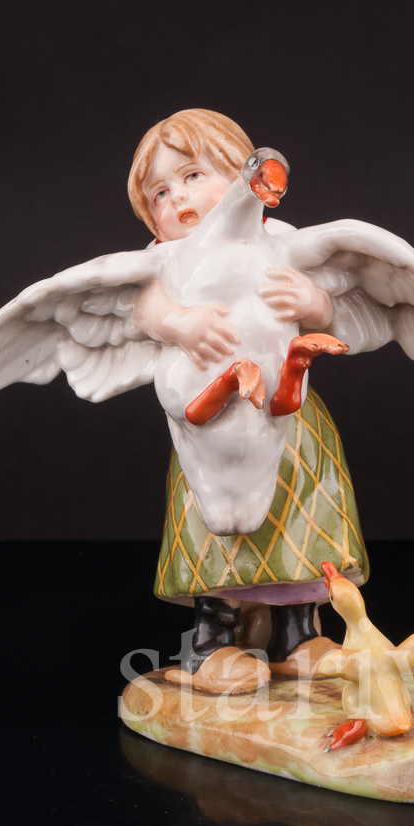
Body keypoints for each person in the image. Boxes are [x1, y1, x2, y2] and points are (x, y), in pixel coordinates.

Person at [127, 109, 368, 692]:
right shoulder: (166, 261)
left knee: (302, 516)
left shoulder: (278, 241)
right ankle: (212, 641)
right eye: (159, 193)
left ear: (238, 174)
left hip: (290, 415)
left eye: (192, 176)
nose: (177, 198)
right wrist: (179, 323)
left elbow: (329, 311)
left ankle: (297, 634)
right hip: (213, 427)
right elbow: (145, 310)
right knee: (220, 529)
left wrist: (313, 301)